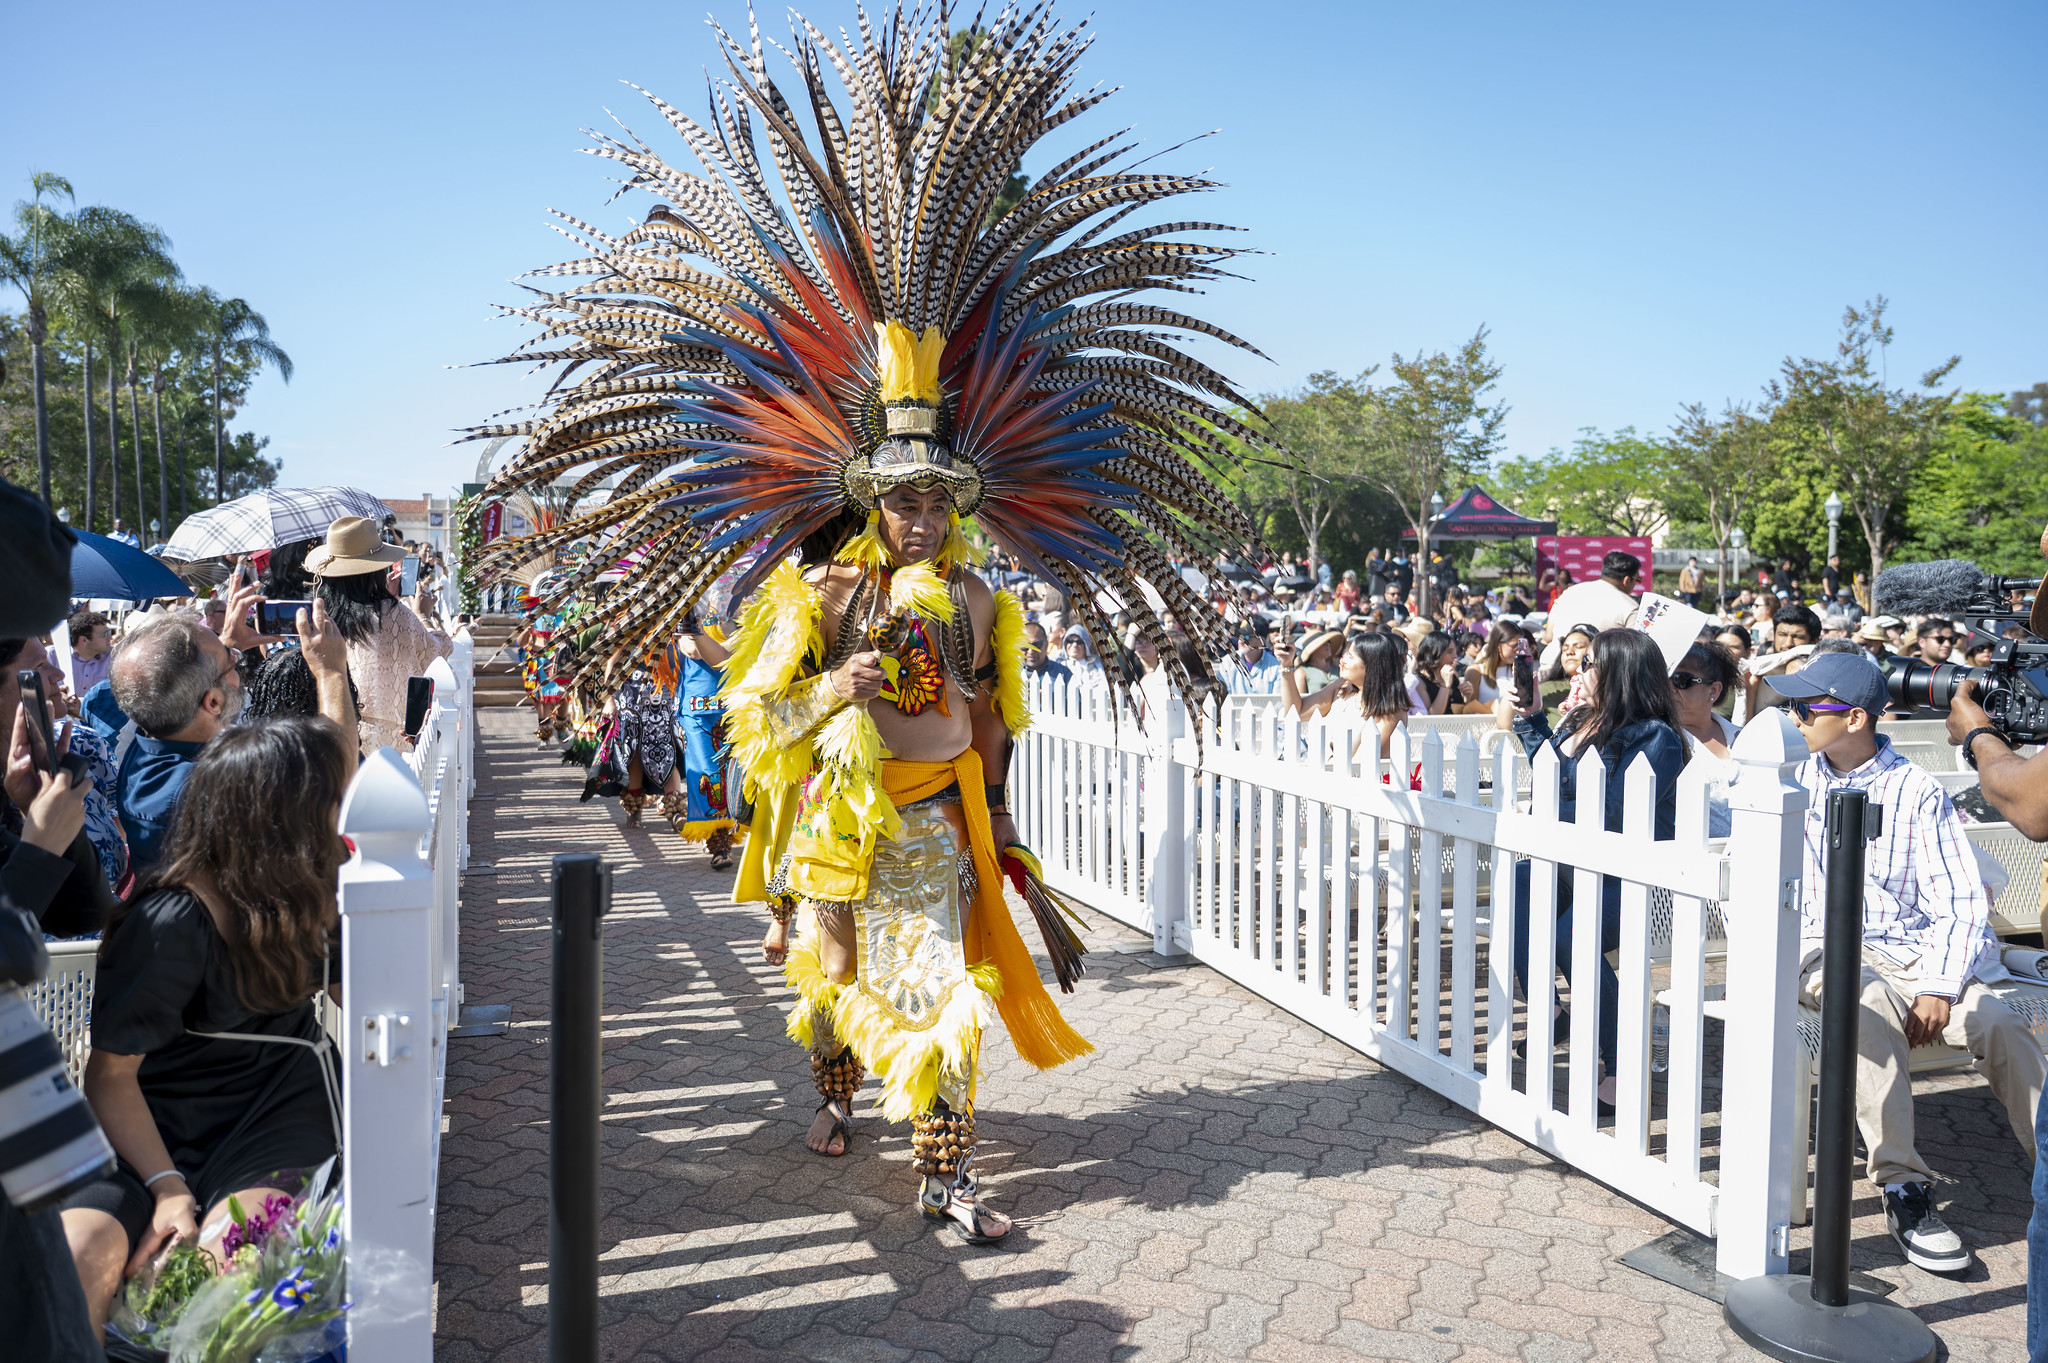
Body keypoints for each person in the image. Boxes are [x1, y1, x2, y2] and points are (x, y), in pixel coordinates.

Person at [58, 716, 353, 1341]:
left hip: (275, 1112)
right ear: (283, 818)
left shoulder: (313, 898)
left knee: (224, 1277)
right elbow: (109, 1078)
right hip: (147, 1129)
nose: (340, 817)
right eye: (330, 800)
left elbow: (366, 1000)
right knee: (76, 1261)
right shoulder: (167, 923)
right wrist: (167, 1189)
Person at [1771, 653, 2043, 1275]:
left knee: (1999, 1021)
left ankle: (2047, 1164)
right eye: (1791, 707)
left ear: (1855, 718)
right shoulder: (1787, 781)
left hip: (1913, 952)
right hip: (1822, 949)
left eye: (1806, 707)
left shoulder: (1915, 788)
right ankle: (1901, 1183)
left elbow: (1958, 900)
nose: (1794, 717)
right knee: (1864, 1002)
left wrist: (1940, 988)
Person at [1509, 630, 1685, 1105]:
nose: (1578, 669)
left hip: (1636, 875)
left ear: (1619, 673)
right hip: (1579, 862)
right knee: (1520, 881)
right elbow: (1553, 777)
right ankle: (1550, 1010)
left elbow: (1614, 813)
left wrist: (1543, 812)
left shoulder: (1656, 736)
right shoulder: (1580, 719)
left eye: (1589, 662)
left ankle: (1621, 1059)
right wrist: (1533, 719)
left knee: (1572, 937)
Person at [111, 604, 353, 877]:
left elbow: (162, 680)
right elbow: (337, 777)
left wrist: (220, 650)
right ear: (213, 702)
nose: (238, 659)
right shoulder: (212, 786)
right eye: (232, 663)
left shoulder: (143, 744)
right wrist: (330, 671)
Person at [306, 516, 452, 753]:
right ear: (376, 569)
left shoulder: (317, 617)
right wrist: (422, 616)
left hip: (333, 743)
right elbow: (438, 653)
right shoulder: (396, 614)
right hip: (392, 747)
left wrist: (386, 601)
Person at [1279, 634, 1409, 758]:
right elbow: (1297, 711)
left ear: (1372, 666)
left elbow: (1361, 765)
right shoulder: (1342, 687)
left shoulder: (1392, 711)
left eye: (1350, 656)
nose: (1343, 658)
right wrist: (1286, 665)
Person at [1670, 641, 1740, 837]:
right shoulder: (1659, 740)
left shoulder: (1743, 737)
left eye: (1681, 680)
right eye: (1664, 679)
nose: (1670, 687)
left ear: (1713, 690)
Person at [1542, 551, 1642, 669]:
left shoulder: (1569, 593)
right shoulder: (1630, 606)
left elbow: (1548, 637)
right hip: (1595, 675)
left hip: (1549, 669)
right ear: (1627, 580)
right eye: (1637, 580)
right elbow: (1635, 653)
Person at [1222, 618, 1283, 694]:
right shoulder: (1227, 663)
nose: (1241, 641)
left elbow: (1278, 699)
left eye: (1246, 637)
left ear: (1261, 640)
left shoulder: (1276, 666)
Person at [68, 611, 115, 696]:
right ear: (84, 640)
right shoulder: (54, 656)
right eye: (105, 634)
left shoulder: (115, 656)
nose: (110, 638)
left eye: (109, 632)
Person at [1020, 621, 1071, 687]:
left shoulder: (1063, 673)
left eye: (1036, 645)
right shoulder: (1010, 673)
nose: (1031, 651)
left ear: (1046, 645)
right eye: (1024, 645)